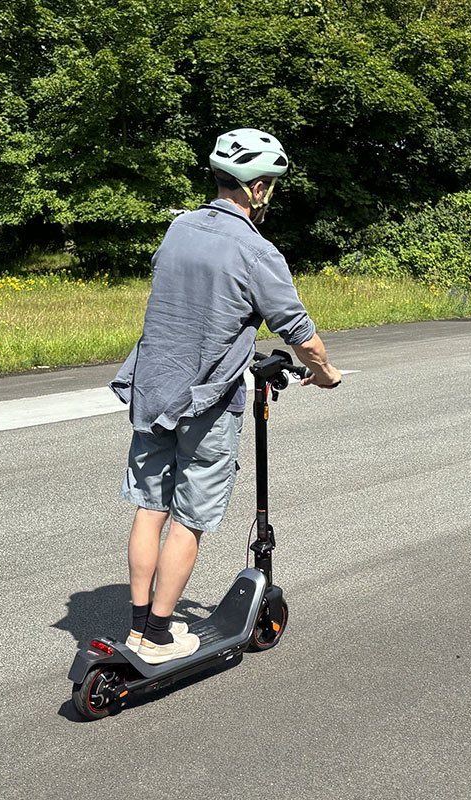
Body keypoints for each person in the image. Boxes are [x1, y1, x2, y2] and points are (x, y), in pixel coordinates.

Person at [109, 128, 341, 664]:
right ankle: (160, 635)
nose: (272, 195)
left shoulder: (178, 229)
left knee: (149, 508)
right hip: (205, 400)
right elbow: (299, 332)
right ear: (257, 189)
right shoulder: (257, 251)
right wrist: (325, 373)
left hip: (153, 387)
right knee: (189, 516)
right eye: (272, 186)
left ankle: (138, 626)